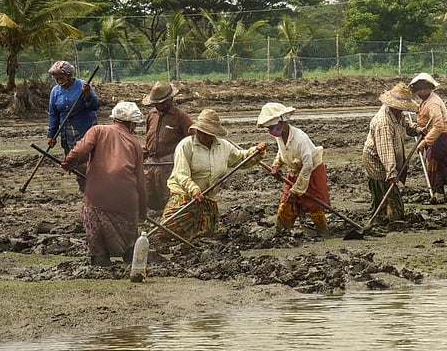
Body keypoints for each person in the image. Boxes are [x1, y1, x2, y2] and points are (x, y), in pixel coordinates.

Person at [60, 101, 147, 267]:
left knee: (93, 223)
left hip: (97, 197)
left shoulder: (98, 130)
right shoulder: (135, 144)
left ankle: (99, 257)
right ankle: (130, 254)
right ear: (132, 124)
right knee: (129, 238)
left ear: (114, 118)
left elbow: (80, 151)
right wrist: (142, 209)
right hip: (126, 201)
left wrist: (69, 162)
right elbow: (140, 182)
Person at [163, 109, 267, 241]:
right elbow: (181, 173)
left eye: (208, 133)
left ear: (214, 133)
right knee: (166, 231)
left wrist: (256, 151)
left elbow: (241, 159)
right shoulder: (186, 145)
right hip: (184, 194)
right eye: (201, 132)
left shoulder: (224, 146)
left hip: (208, 198)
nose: (204, 136)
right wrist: (193, 189)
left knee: (207, 235)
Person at [257, 102, 331, 237]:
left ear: (282, 123)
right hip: (295, 170)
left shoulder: (300, 138)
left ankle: (323, 232)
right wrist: (276, 165)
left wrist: (297, 189)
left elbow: (307, 166)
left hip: (312, 171)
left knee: (315, 205)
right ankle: (281, 231)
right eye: (269, 129)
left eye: (271, 127)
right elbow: (282, 152)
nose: (270, 131)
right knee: (286, 202)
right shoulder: (279, 136)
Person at [409, 73, 447, 203]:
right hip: (436, 139)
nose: (421, 91)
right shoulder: (425, 101)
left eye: (424, 88)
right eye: (419, 89)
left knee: (445, 171)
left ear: (429, 88)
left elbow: (438, 125)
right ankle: (439, 195)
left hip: (442, 140)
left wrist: (425, 142)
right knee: (435, 169)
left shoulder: (433, 103)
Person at [362, 82, 418, 224]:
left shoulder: (397, 114)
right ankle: (384, 218)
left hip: (387, 160)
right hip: (378, 163)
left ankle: (383, 216)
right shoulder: (384, 123)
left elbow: (405, 125)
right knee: (386, 194)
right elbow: (385, 151)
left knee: (386, 196)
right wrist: (392, 173)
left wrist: (416, 129)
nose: (402, 110)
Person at [47, 60, 100, 192]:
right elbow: (54, 115)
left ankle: (94, 189)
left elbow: (95, 106)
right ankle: (85, 189)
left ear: (69, 76)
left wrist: (87, 94)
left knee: (87, 161)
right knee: (75, 163)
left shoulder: (82, 86)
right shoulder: (55, 92)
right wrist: (51, 135)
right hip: (67, 132)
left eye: (61, 78)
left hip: (85, 130)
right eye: (56, 78)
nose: (59, 81)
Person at [142, 81, 193, 210]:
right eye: (156, 104)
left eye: (162, 103)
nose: (158, 107)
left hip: (169, 164)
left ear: (170, 100)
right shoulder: (151, 114)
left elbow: (191, 140)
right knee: (149, 194)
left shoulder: (181, 117)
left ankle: (169, 220)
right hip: (151, 162)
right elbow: (148, 134)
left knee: (168, 195)